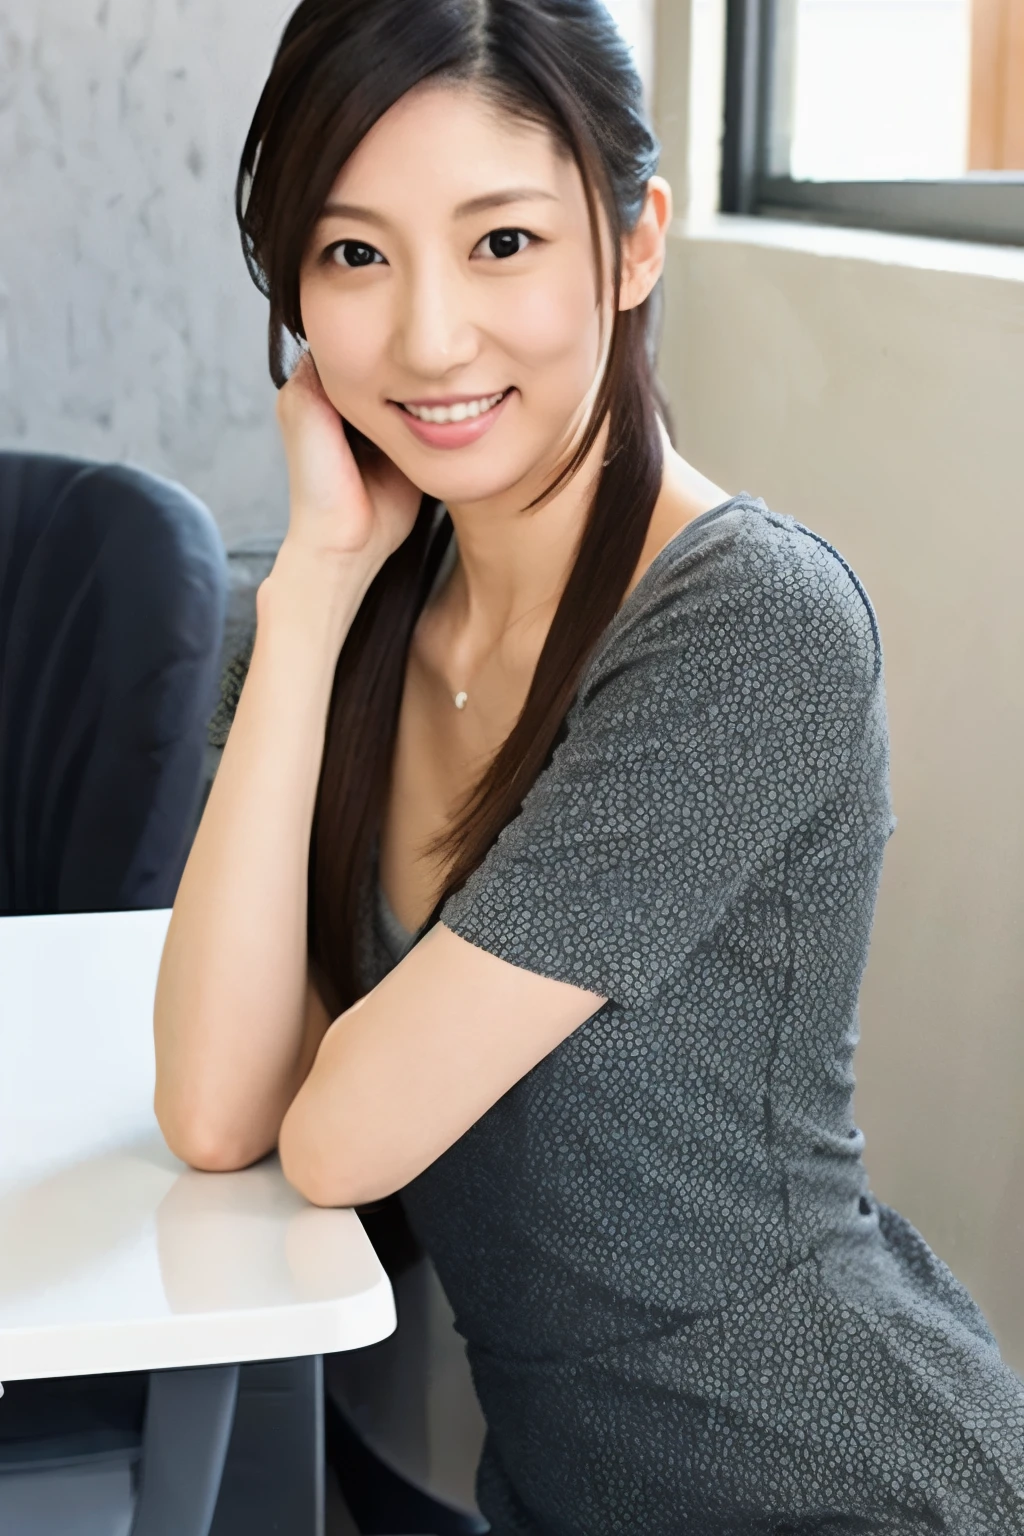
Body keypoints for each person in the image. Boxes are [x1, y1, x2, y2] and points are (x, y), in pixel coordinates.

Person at [152, 2, 1024, 1530]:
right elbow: (224, 1111)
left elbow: (344, 1135)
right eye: (356, 254)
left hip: (832, 1486)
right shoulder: (361, 618)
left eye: (501, 242)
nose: (428, 336)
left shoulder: (752, 628)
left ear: (632, 247)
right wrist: (304, 600)